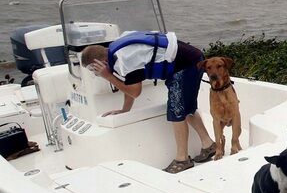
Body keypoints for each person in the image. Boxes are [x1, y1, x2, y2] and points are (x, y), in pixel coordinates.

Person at [81, 31, 214, 174]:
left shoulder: (124, 59)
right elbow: (130, 83)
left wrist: (108, 76)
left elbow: (134, 92)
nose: (95, 73)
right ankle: (209, 145)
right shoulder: (117, 53)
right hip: (188, 59)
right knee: (185, 107)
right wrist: (125, 110)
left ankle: (182, 159)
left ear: (99, 62)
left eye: (92, 69)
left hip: (187, 64)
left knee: (176, 110)